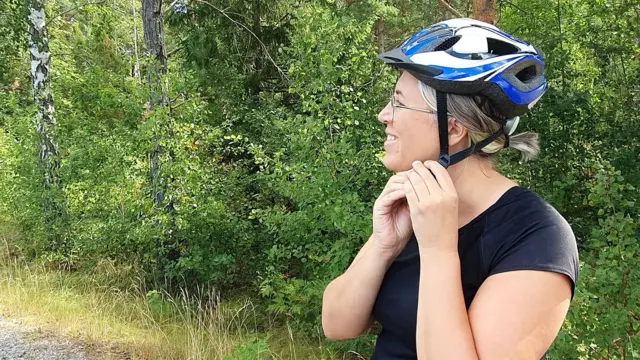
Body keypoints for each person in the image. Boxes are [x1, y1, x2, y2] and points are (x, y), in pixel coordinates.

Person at [321, 18, 579, 359]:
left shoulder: (538, 237)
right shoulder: (419, 204)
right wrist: (384, 245)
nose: (384, 115)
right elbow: (337, 326)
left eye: (399, 102)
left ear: (453, 129)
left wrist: (439, 249)